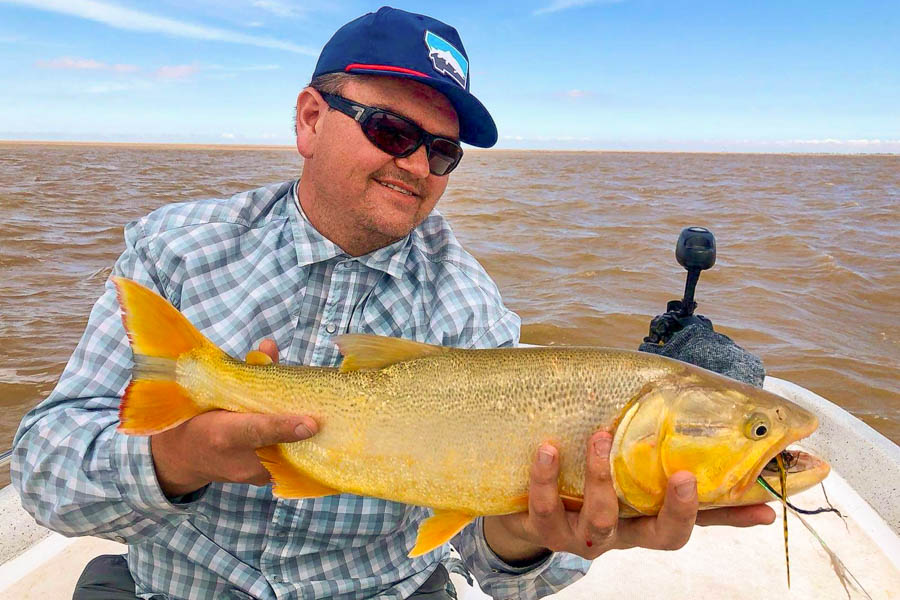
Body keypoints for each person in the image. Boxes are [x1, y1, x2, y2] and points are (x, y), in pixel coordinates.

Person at [12, 7, 774, 600]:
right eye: (391, 130)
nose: (417, 165)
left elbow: (489, 557)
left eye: (442, 151)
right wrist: (181, 457)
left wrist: (525, 534)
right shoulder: (174, 250)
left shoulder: (470, 307)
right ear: (311, 120)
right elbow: (44, 473)